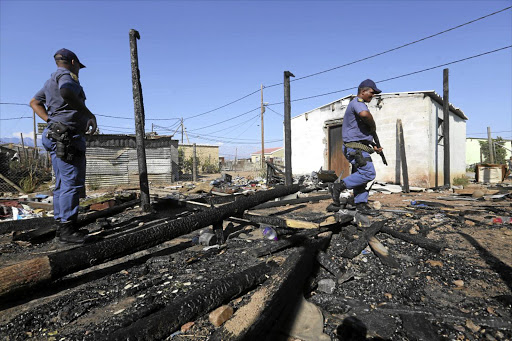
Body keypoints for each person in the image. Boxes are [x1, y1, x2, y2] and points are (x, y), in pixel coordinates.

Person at [30, 48, 97, 243]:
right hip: (66, 136)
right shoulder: (68, 77)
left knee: (61, 184)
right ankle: (67, 230)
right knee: (71, 183)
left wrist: (50, 119)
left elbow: (34, 102)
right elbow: (66, 91)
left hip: (54, 133)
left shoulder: (50, 80)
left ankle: (62, 226)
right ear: (74, 62)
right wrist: (88, 114)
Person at [327, 79, 383, 214]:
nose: (373, 95)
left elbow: (360, 135)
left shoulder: (359, 105)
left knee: (360, 177)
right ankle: (338, 186)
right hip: (355, 148)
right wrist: (372, 124)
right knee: (368, 173)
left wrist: (373, 146)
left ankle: (361, 204)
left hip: (358, 147)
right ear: (363, 91)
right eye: (371, 92)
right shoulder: (358, 103)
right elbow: (365, 115)